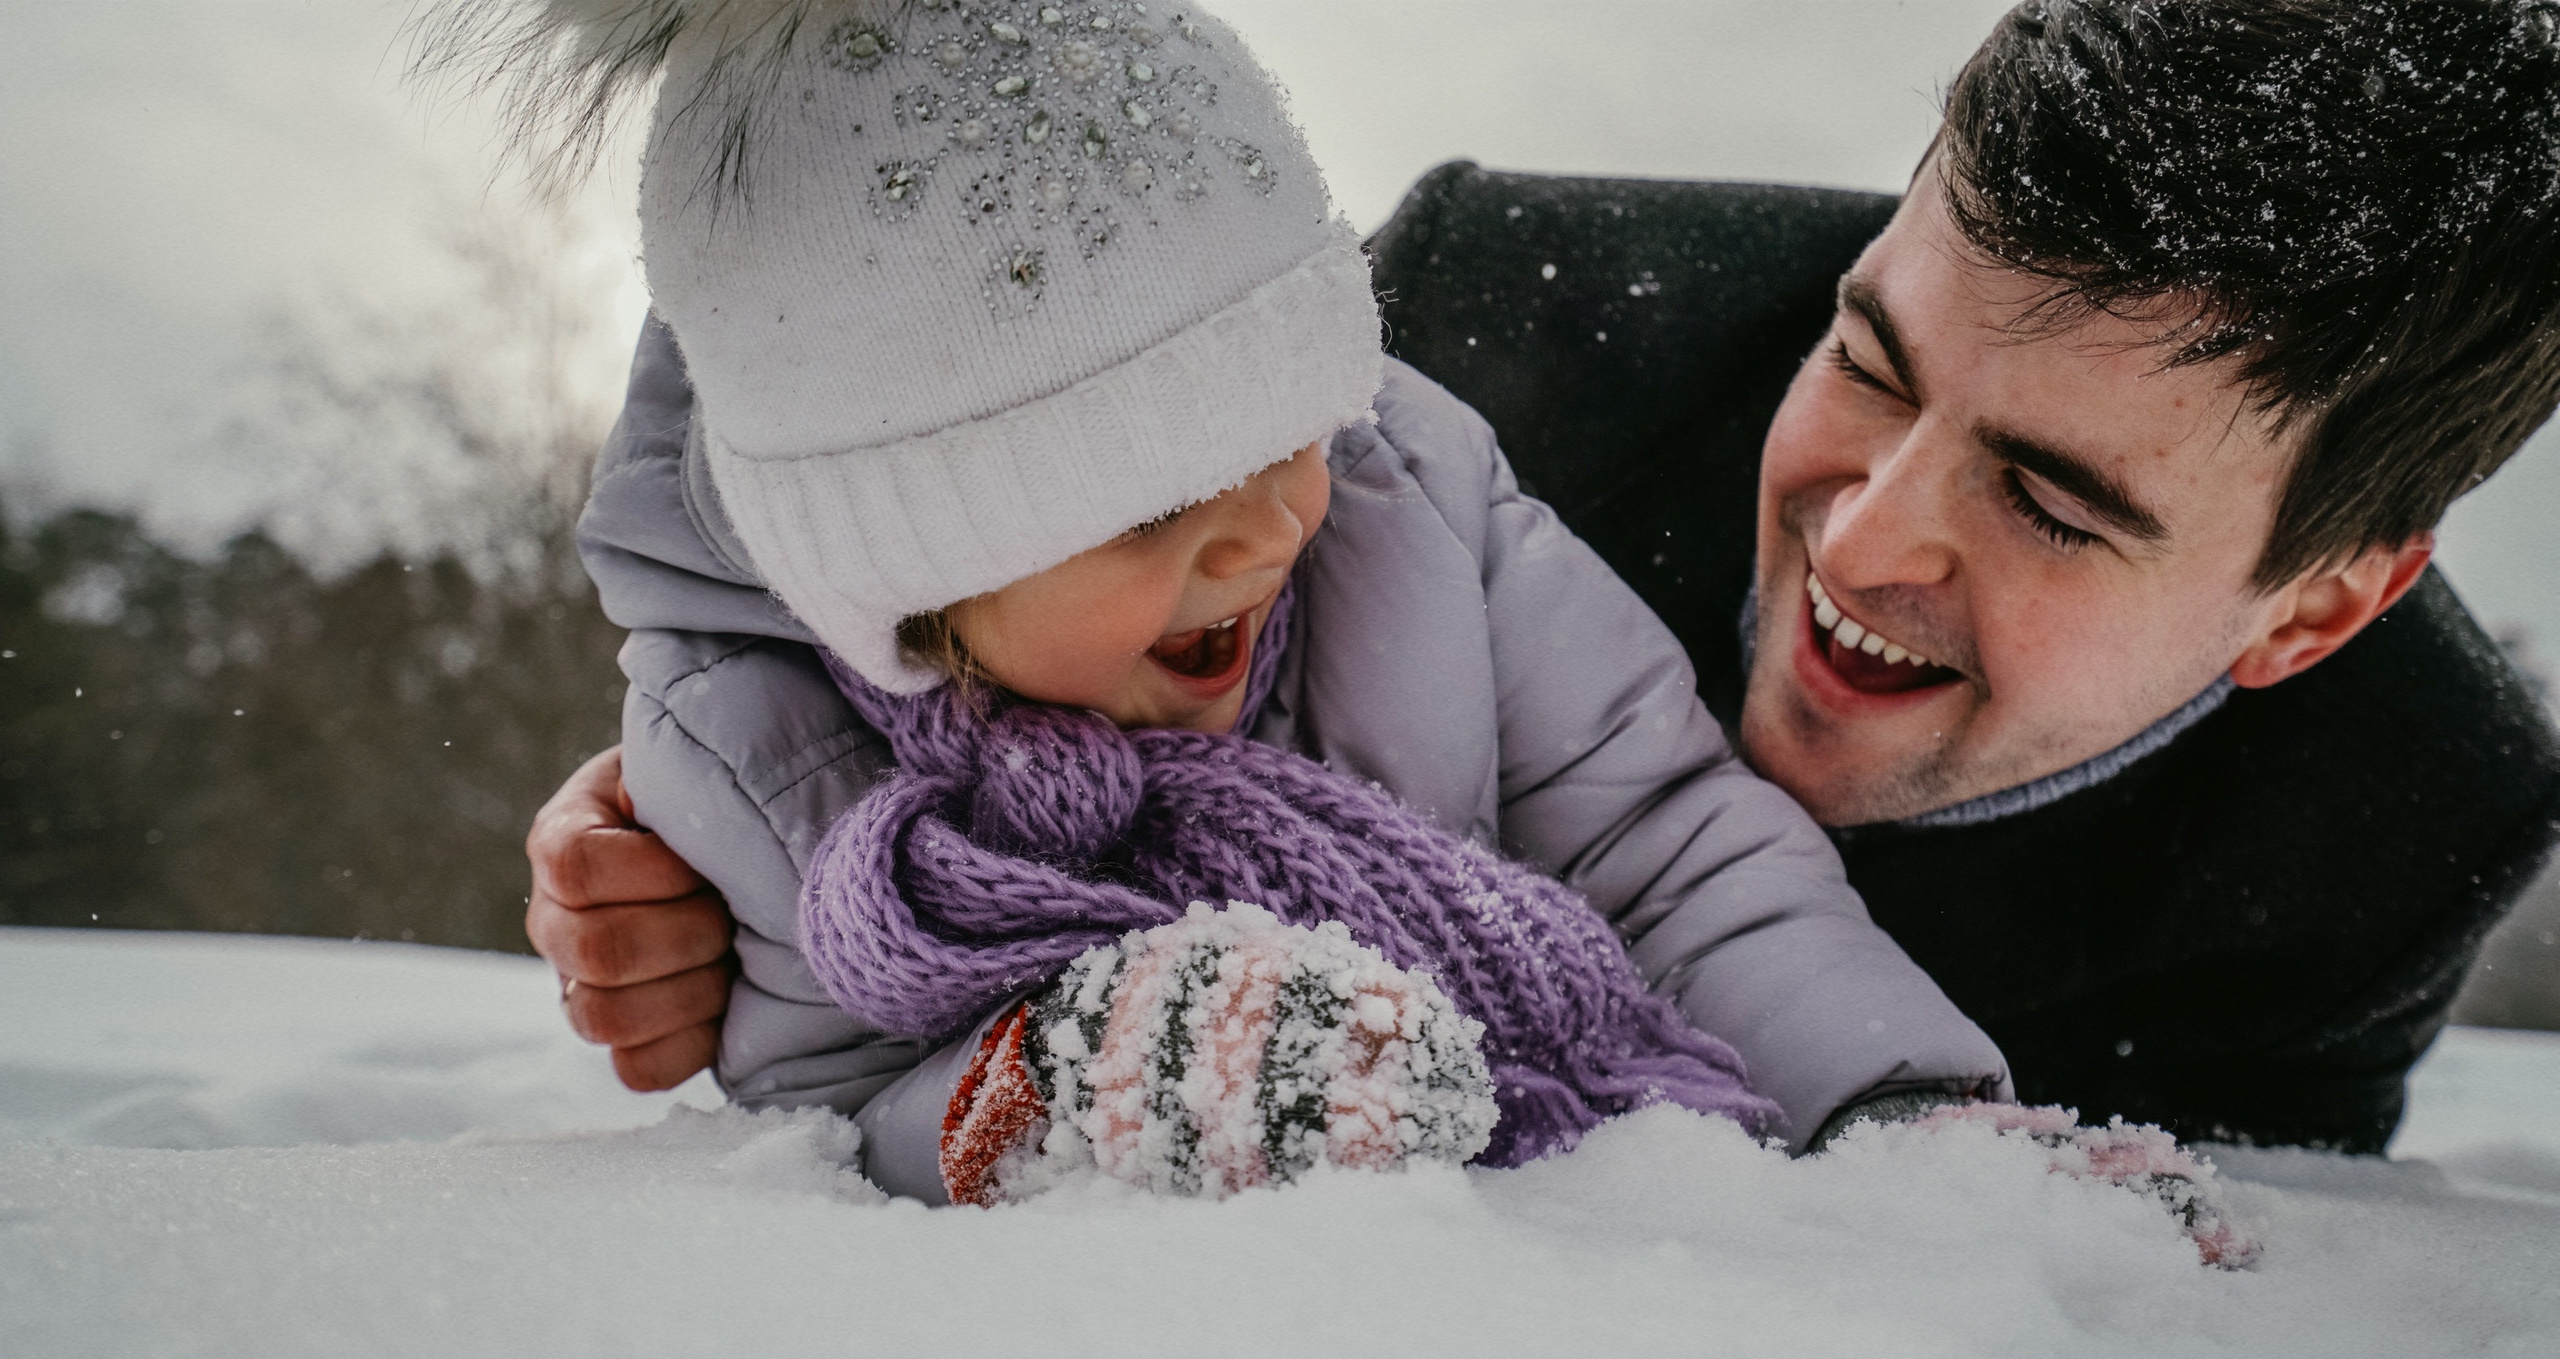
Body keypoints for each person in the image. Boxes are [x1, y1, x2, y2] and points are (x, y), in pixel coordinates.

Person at [534, 0, 2560, 1155]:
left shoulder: (2392, 827)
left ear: (2311, 609)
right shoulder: (1497, 313)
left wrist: (1934, 1141)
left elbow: (2217, 1242)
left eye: (2051, 498)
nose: (1860, 536)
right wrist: (729, 842)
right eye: (1866, 356)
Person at [469, 0, 2019, 1207]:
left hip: (1573, 1279)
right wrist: (1054, 1084)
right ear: (910, 572)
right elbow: (840, 1100)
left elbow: (1665, 844)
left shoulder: (1411, 505)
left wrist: (1893, 1118)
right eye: (1151, 505)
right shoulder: (766, 755)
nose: (1275, 524)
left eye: (1292, 427)